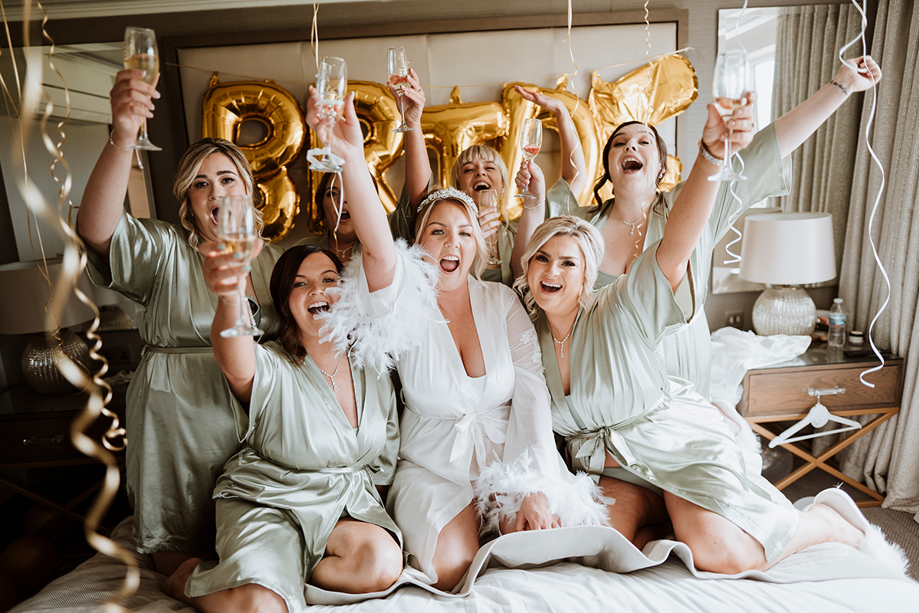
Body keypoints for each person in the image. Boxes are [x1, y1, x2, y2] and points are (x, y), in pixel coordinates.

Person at [514, 143, 883, 572]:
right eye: (542, 259)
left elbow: (676, 246)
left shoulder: (619, 306)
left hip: (676, 449)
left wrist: (709, 153)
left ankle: (824, 521)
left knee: (719, 553)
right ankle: (672, 522)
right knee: (600, 549)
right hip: (617, 471)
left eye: (567, 263)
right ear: (528, 267)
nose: (552, 271)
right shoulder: (525, 333)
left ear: (586, 276)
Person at [312, 97, 606, 593]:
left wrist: (532, 483)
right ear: (416, 245)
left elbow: (532, 395)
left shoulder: (503, 301)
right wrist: (352, 160)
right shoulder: (401, 300)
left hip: (509, 457)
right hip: (432, 466)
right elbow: (378, 248)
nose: (452, 243)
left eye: (465, 233)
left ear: (478, 246)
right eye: (438, 231)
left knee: (540, 546)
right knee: (451, 568)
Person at [513, 55, 882, 399]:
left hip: (682, 375)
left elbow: (765, 150)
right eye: (619, 144)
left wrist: (843, 85)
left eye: (643, 142)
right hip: (607, 384)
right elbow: (526, 272)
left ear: (660, 165)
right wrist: (536, 186)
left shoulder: (692, 206)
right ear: (609, 166)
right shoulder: (581, 226)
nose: (630, 148)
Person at [161, 148, 405, 610]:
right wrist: (231, 291)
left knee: (380, 563)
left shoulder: (371, 365)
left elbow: (383, 462)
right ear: (286, 304)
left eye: (329, 279)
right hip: (267, 501)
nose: (318, 290)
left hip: (340, 506)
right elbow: (235, 356)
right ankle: (191, 578)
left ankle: (287, 571)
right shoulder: (272, 363)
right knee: (262, 607)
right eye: (300, 283)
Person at [76, 69, 284, 577]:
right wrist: (123, 135)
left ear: (249, 189)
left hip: (258, 421)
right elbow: (97, 228)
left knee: (254, 543)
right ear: (189, 203)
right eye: (200, 184)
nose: (216, 192)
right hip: (177, 418)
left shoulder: (276, 262)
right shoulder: (167, 251)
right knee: (180, 549)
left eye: (227, 179)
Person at [394, 83, 588, 287]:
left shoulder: (525, 226)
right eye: (469, 169)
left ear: (503, 185)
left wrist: (561, 112)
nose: (480, 172)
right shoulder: (445, 237)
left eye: (490, 167)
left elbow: (575, 177)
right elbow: (418, 193)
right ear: (458, 188)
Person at [299, 68, 430, 265]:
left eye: (352, 192)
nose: (342, 200)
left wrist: (412, 120)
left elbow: (418, 199)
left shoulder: (390, 235)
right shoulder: (303, 252)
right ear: (321, 207)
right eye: (332, 193)